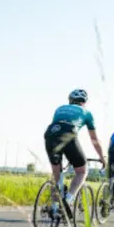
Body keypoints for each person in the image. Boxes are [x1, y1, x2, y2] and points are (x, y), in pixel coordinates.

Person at [43, 89, 105, 218]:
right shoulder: (87, 113)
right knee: (82, 171)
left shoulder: (59, 108)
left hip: (50, 134)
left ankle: (54, 209)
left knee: (56, 175)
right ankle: (68, 199)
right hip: (69, 134)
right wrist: (102, 157)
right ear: (84, 102)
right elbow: (94, 140)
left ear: (70, 100)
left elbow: (58, 128)